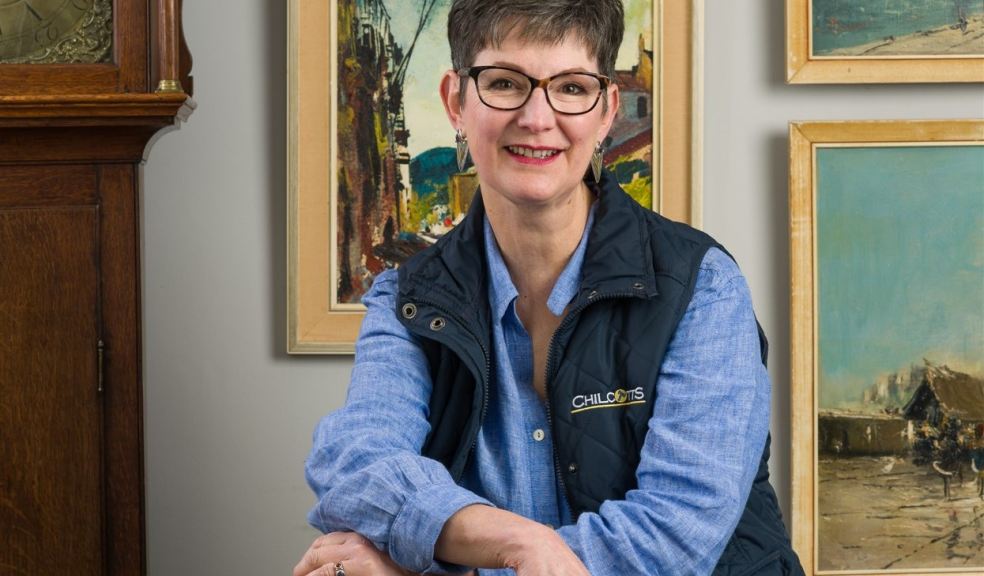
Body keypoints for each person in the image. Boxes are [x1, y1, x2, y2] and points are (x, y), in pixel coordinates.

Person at [295, 1, 804, 574]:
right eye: (505, 83)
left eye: (570, 87)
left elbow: (672, 537)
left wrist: (433, 561)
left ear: (606, 110)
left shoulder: (701, 287)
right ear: (455, 101)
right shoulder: (404, 298)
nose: (537, 118)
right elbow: (356, 464)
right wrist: (519, 543)